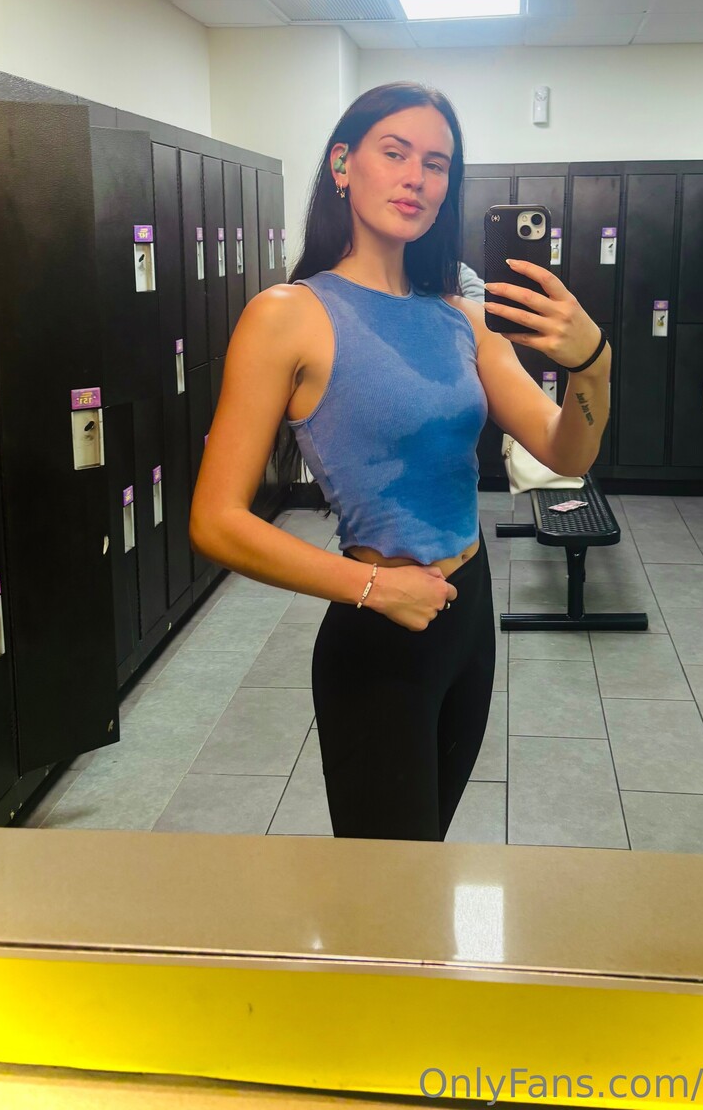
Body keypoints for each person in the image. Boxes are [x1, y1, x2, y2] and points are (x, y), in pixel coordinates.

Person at [189, 83, 611, 842]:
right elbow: (215, 521)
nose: (417, 177)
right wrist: (374, 587)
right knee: (385, 887)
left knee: (426, 858)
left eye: (437, 163)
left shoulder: (461, 317)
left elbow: (564, 450)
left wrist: (594, 365)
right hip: (380, 630)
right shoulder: (288, 315)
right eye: (395, 152)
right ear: (342, 165)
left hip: (467, 612)